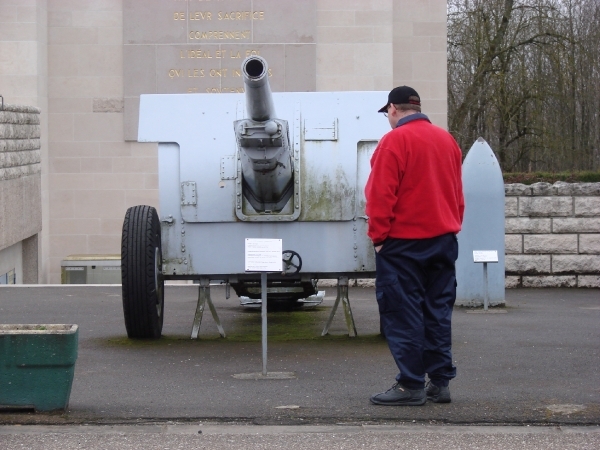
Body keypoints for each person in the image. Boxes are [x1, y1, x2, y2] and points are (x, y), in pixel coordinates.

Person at [365, 86, 464, 406]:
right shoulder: (446, 140)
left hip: (403, 245)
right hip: (443, 240)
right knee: (437, 311)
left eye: (387, 113)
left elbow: (379, 196)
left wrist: (379, 239)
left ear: (392, 109)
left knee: (403, 312)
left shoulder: (393, 141)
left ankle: (410, 384)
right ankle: (440, 381)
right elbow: (457, 195)